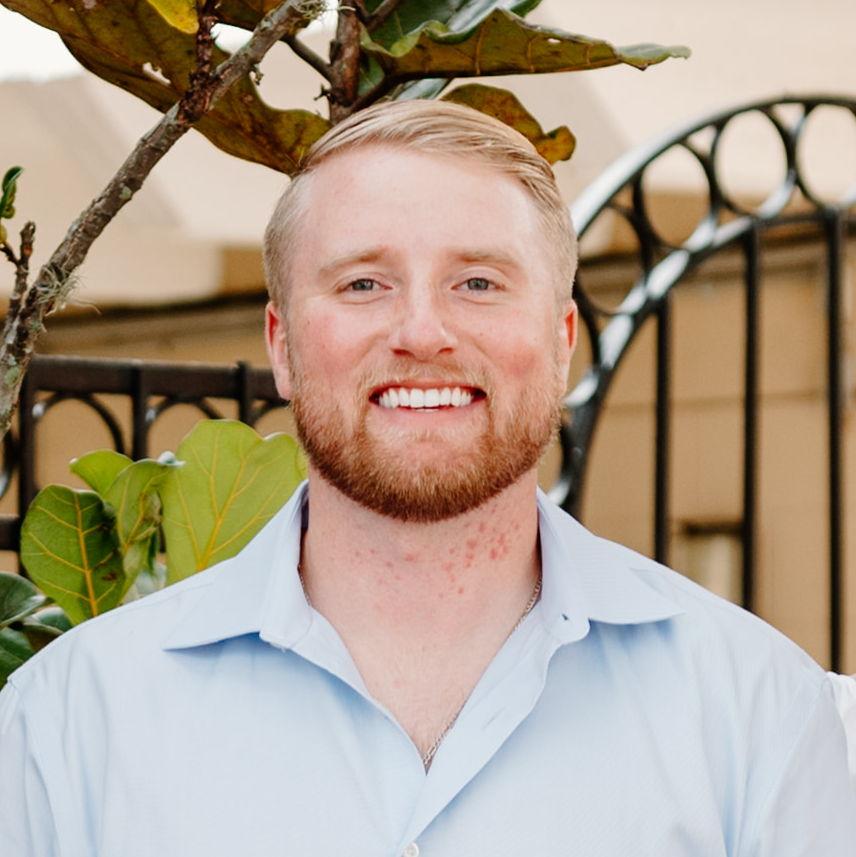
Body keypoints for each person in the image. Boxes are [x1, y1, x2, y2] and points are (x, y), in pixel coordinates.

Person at [1, 100, 854, 856]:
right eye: (364, 283)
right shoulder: (71, 720)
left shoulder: (758, 711)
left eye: (477, 282)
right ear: (282, 346)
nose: (421, 331)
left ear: (562, 340)